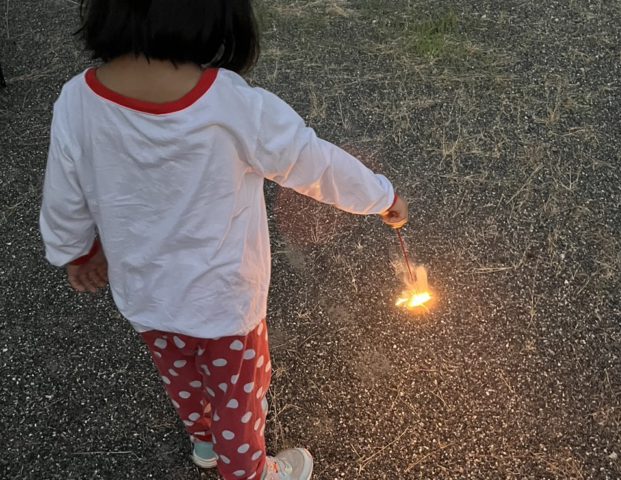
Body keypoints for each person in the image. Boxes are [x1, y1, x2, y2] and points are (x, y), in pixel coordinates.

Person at [38, 1, 409, 479]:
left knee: (182, 378)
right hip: (226, 302)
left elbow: (63, 195)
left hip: (145, 295)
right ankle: (249, 471)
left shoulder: (77, 101)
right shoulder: (232, 105)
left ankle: (206, 443)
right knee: (240, 396)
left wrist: (76, 252)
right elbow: (314, 162)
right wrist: (381, 196)